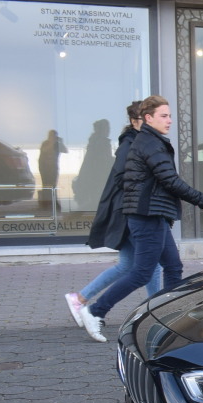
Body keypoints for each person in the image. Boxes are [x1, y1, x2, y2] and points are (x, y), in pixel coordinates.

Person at [79, 96, 203, 342]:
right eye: (164, 116)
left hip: (155, 215)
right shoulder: (149, 144)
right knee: (141, 272)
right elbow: (170, 180)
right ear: (148, 118)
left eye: (170, 115)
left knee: (173, 266)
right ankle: (94, 311)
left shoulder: (151, 141)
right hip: (146, 216)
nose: (170, 121)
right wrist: (202, 200)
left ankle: (170, 318)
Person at [63, 102, 162, 327]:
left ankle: (79, 299)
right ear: (137, 120)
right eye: (149, 118)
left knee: (128, 264)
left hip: (128, 212)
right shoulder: (131, 144)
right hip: (131, 213)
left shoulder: (133, 142)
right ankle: (157, 310)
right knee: (152, 263)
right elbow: (122, 179)